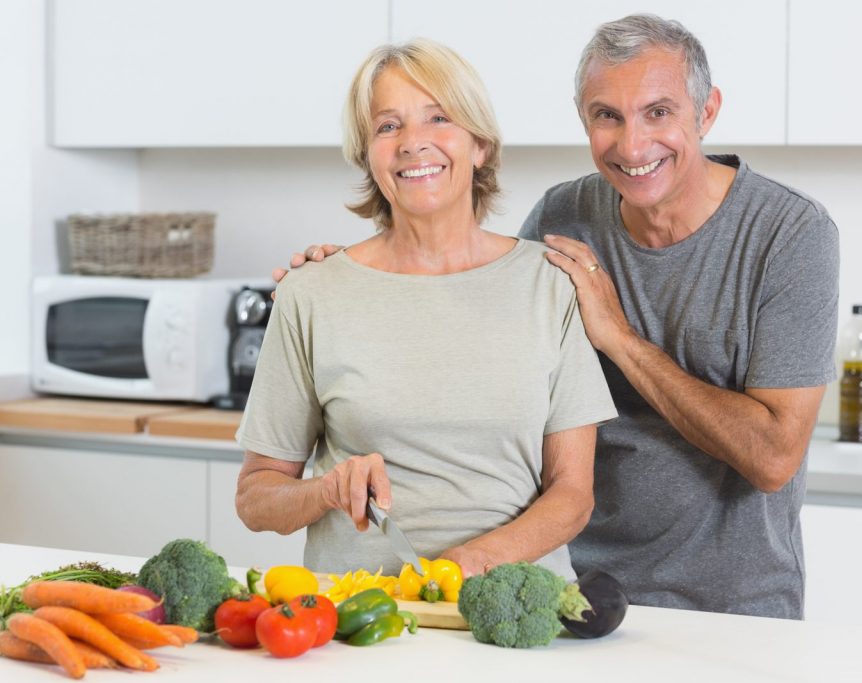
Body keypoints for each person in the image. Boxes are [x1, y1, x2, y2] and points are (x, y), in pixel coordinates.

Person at [281, 14, 839, 619]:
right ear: (584, 120)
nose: (632, 145)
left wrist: (621, 341)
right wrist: (345, 280)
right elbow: (468, 325)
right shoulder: (564, 216)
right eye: (608, 116)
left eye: (658, 112)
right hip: (567, 586)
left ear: (706, 113)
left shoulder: (790, 234)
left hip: (728, 600)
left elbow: (774, 458)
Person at [236, 38, 617, 580]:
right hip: (361, 621)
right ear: (368, 154)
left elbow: (573, 494)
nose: (413, 143)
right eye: (388, 126)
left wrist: (465, 567)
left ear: (479, 145)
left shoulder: (550, 283)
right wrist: (326, 490)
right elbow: (256, 498)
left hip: (511, 611)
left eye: (438, 118)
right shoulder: (313, 292)